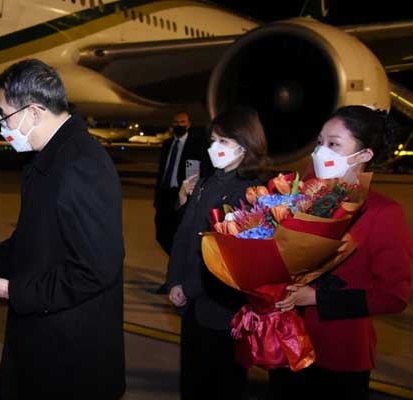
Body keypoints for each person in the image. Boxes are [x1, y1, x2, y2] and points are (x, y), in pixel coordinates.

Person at [0, 59, 126, 399]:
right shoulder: (46, 158)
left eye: (4, 115)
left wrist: (15, 292)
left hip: (70, 356)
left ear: (33, 113)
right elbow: (30, 237)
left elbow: (97, 269)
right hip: (43, 336)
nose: (1, 126)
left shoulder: (80, 166)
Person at [269, 105, 411, 400]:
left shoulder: (384, 212)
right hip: (288, 344)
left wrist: (316, 297)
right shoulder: (302, 197)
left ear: (364, 155)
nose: (320, 152)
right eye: (320, 143)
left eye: (334, 144)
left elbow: (394, 296)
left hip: (339, 354)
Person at [166, 106, 271, 400]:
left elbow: (229, 258)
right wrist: (174, 280)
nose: (214, 148)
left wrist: (187, 288)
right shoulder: (206, 183)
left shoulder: (251, 194)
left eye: (222, 142)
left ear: (245, 144)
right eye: (213, 140)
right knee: (192, 382)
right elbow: (184, 236)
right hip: (192, 307)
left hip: (223, 310)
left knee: (221, 384)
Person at [154, 110, 211, 294]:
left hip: (183, 194)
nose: (179, 125)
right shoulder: (167, 144)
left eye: (183, 122)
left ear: (189, 123)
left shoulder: (196, 145)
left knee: (178, 236)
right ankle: (178, 267)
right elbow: (161, 171)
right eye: (176, 122)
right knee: (162, 234)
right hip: (165, 195)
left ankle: (174, 277)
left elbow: (200, 170)